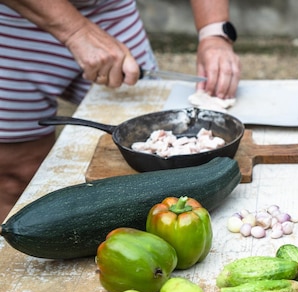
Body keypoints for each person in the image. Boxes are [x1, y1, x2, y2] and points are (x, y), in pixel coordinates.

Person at [0, 0, 240, 221]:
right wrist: (76, 31)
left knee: (148, 127)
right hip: (15, 28)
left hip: (110, 14)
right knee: (16, 177)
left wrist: (214, 33)